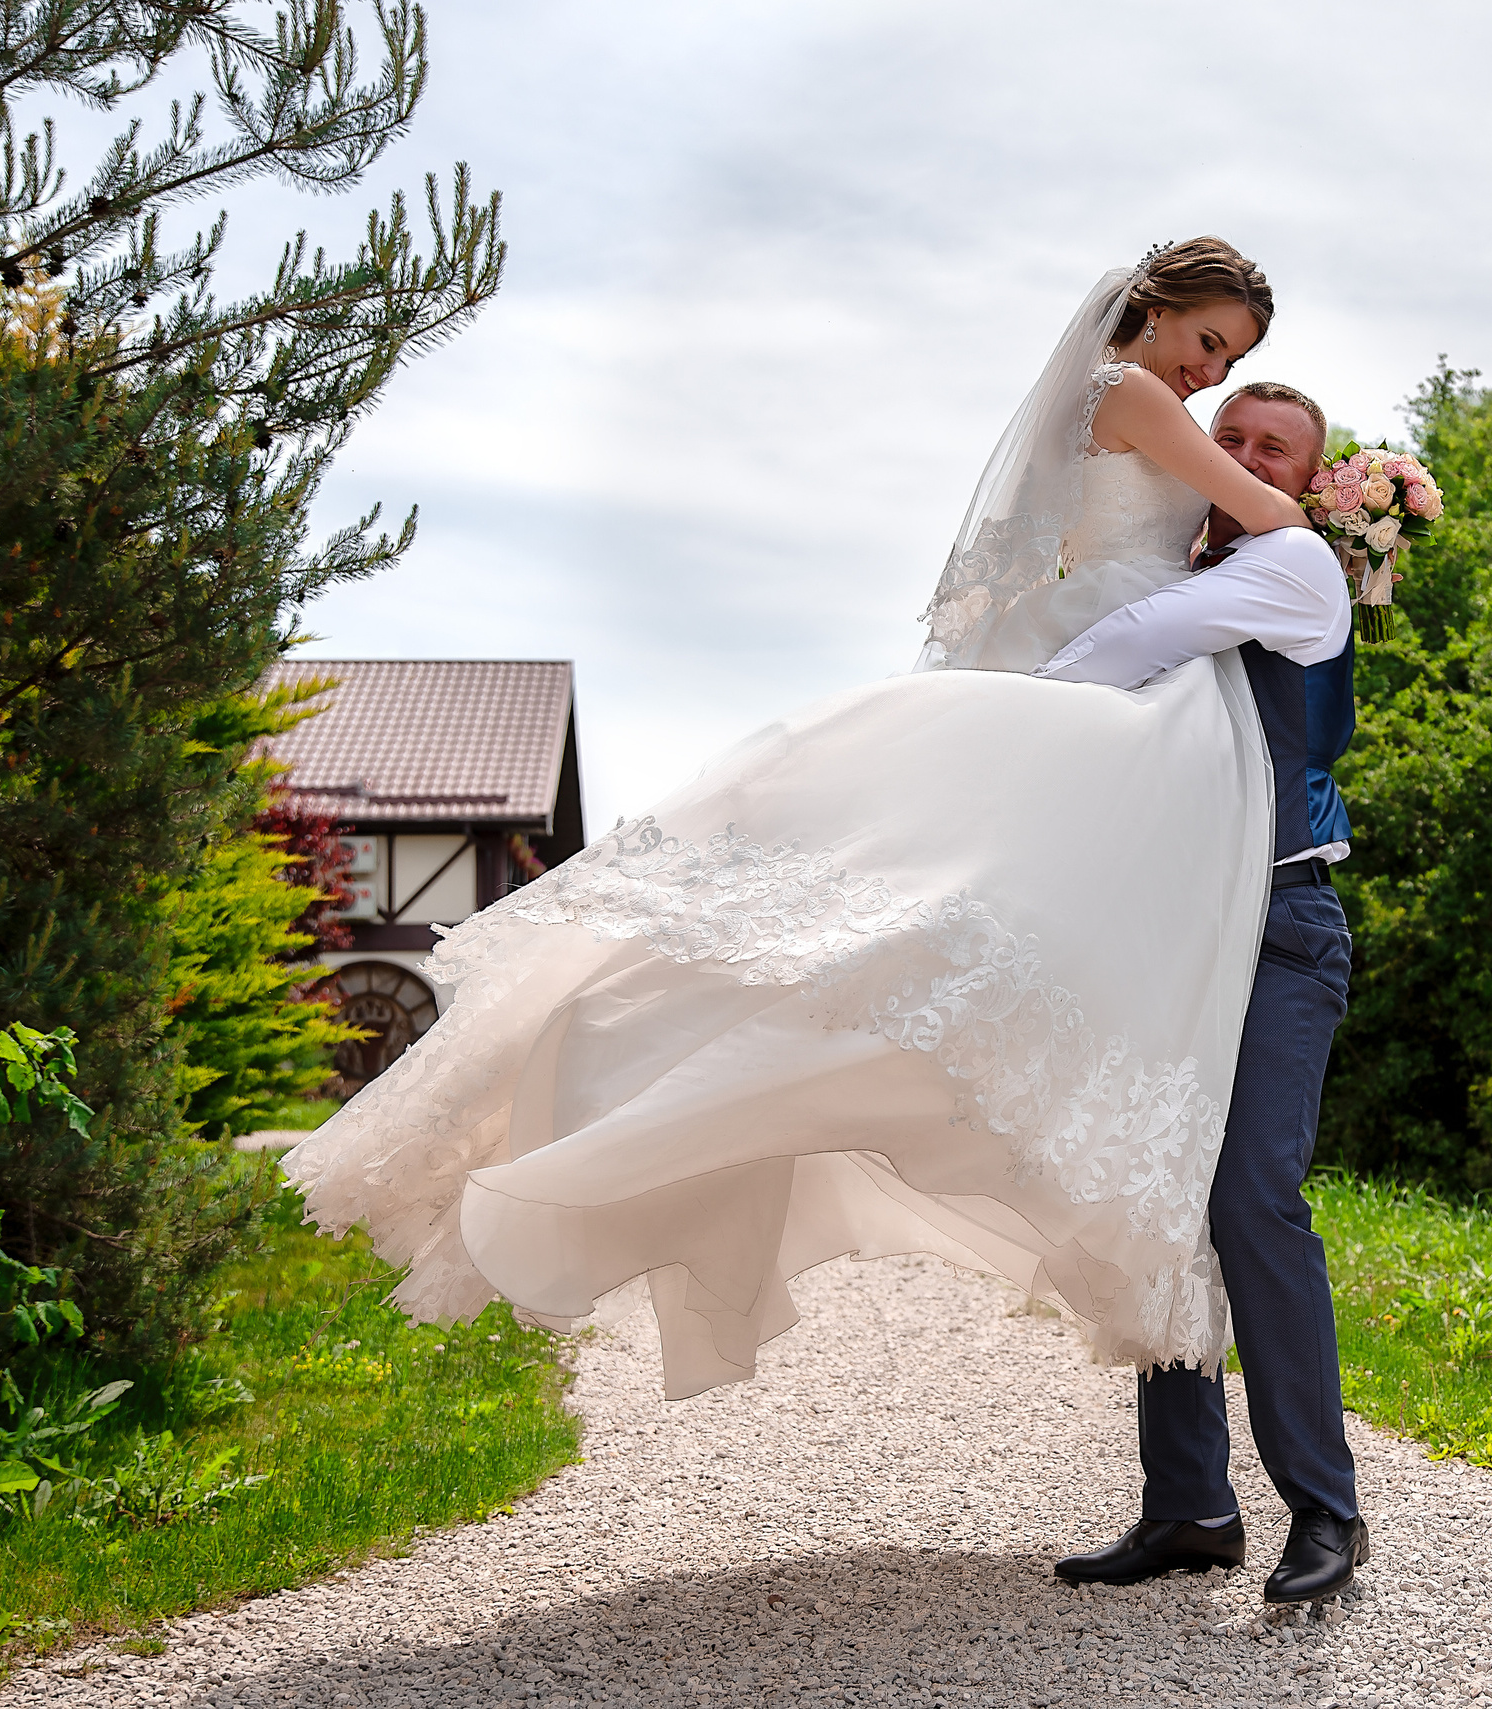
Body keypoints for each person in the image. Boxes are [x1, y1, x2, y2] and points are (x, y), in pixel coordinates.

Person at [284, 242, 1312, 1418]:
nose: (1206, 372)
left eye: (1228, 358)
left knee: (968, 929)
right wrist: (1339, 503)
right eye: (1208, 343)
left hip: (1112, 634)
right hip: (1126, 653)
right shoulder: (1127, 392)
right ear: (1155, 309)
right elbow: (1265, 512)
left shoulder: (1105, 398)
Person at [1035, 382, 1370, 1604]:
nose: (1235, 455)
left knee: (1251, 1201)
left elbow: (1118, 654)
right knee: (1163, 1195)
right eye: (1223, 433)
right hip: (1168, 921)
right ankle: (1188, 1506)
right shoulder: (1163, 560)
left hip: (1279, 921)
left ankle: (1325, 1510)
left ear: (1306, 480)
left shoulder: (1294, 568)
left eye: (1268, 447)